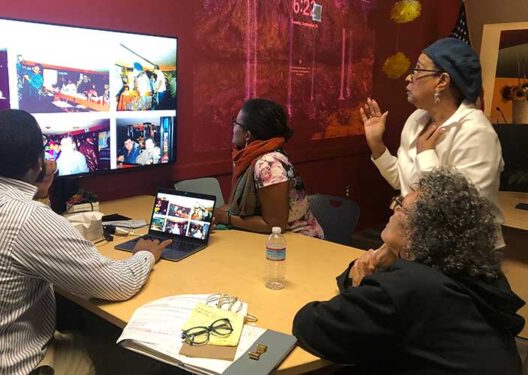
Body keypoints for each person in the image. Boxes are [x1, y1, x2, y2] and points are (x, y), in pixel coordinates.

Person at [0, 109, 172, 375]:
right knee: (146, 358)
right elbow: (118, 285)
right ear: (38, 163)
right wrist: (144, 254)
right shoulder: (26, 218)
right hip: (10, 367)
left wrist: (35, 187)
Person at [293, 168, 524, 375]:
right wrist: (381, 263)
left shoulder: (408, 286)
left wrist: (364, 285)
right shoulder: (475, 274)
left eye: (400, 206)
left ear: (418, 232)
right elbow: (359, 282)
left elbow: (311, 326)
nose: (391, 209)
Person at [361, 37, 505, 248]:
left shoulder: (476, 133)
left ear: (442, 81)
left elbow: (461, 210)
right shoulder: (417, 119)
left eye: (418, 70)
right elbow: (405, 185)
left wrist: (426, 155)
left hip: (464, 253)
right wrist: (377, 145)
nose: (408, 78)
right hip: (419, 242)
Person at [214, 98, 323, 238]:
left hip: (298, 241)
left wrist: (225, 218)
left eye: (236, 122)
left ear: (248, 135)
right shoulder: (248, 158)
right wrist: (209, 214)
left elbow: (275, 225)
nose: (233, 127)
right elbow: (234, 206)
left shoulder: (269, 164)